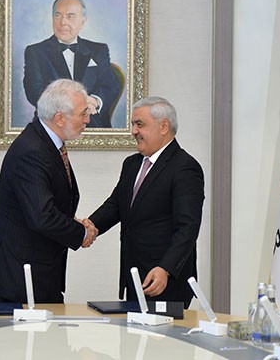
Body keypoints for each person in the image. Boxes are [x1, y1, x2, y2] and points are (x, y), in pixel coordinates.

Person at [0, 79, 98, 304]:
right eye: (83, 114)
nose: (87, 120)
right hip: (19, 276)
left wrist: (73, 222)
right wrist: (81, 233)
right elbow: (42, 216)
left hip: (38, 272)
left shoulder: (45, 143)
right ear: (60, 118)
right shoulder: (32, 150)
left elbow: (42, 203)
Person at [85, 96, 204, 308]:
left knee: (165, 331)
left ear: (163, 126)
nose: (133, 131)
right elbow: (115, 205)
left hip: (165, 280)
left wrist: (165, 268)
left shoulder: (185, 167)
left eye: (139, 124)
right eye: (133, 124)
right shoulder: (131, 164)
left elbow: (188, 227)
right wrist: (89, 226)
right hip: (134, 276)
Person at [23, 0, 121, 128]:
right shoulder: (35, 52)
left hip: (93, 124)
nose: (63, 22)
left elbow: (110, 85)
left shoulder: (99, 50)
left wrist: (94, 100)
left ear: (82, 22)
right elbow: (34, 92)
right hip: (53, 125)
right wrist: (76, 105)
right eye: (58, 15)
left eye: (70, 16)